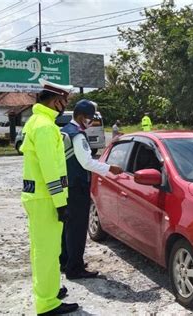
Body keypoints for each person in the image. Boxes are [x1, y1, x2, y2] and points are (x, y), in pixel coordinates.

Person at [20, 78, 79, 315]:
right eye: (64, 102)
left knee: (46, 249)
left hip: (40, 197)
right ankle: (47, 303)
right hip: (46, 199)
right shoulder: (45, 127)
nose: (64, 106)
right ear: (56, 102)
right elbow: (50, 170)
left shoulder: (38, 121)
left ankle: (50, 289)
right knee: (47, 252)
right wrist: (60, 203)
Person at [60, 100, 123, 280]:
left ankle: (66, 261)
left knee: (67, 227)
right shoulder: (78, 135)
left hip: (66, 184)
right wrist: (110, 168)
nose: (90, 122)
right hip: (77, 186)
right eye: (89, 118)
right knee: (78, 229)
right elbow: (87, 162)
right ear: (81, 117)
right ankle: (75, 268)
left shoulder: (64, 131)